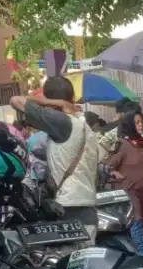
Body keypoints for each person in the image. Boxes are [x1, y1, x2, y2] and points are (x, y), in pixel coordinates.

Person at [10, 77, 99, 239]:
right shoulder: (83, 124)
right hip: (87, 207)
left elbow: (15, 100)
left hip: (68, 207)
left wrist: (45, 101)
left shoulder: (62, 123)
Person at [106, 110, 143, 255]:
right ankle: (142, 257)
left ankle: (137, 255)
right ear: (130, 125)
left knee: (142, 224)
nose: (141, 125)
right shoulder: (123, 145)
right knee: (136, 223)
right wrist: (114, 173)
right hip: (130, 191)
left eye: (142, 122)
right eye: (137, 123)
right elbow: (108, 166)